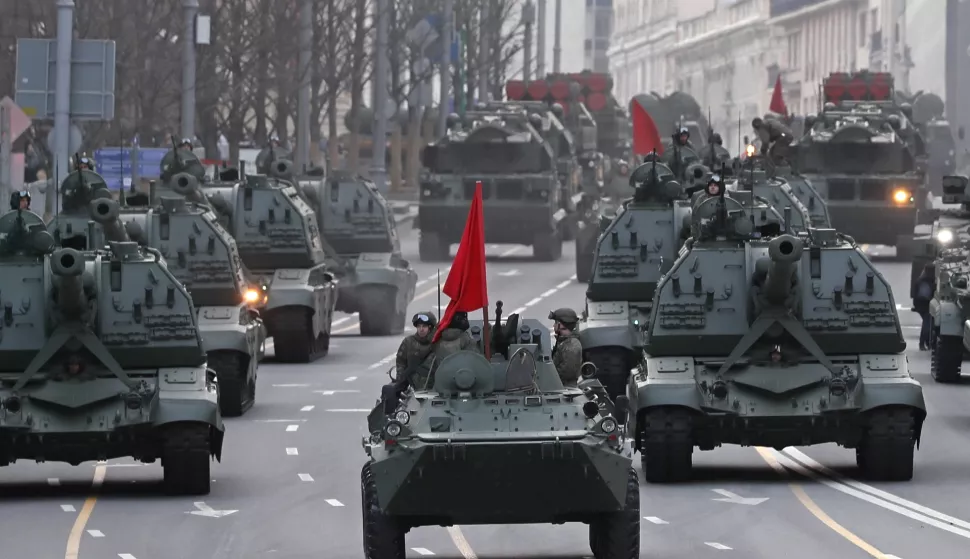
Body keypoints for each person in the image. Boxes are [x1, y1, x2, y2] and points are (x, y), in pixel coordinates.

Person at [394, 312, 437, 388]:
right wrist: (400, 380)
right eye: (419, 326)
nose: (421, 329)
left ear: (430, 327)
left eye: (424, 326)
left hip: (433, 384)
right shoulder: (408, 342)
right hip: (412, 384)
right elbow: (400, 362)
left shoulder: (437, 342)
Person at [549, 308, 582, 386]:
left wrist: (549, 378)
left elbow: (567, 372)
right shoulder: (564, 342)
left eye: (556, 322)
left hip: (565, 389)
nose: (554, 325)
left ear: (562, 325)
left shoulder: (571, 345)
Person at [912, 263, 936, 350]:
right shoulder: (927, 281)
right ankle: (923, 343)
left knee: (928, 324)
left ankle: (927, 342)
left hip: (921, 305)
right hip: (926, 305)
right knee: (927, 324)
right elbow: (924, 296)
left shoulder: (920, 280)